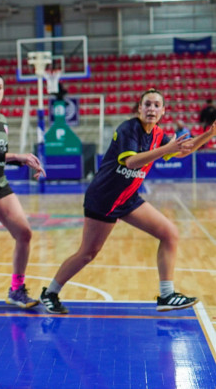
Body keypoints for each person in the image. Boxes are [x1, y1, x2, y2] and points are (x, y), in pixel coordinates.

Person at [39, 89, 216, 315]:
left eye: (156, 105)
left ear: (163, 111)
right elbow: (131, 162)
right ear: (139, 108)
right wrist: (166, 149)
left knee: (169, 233)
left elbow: (183, 151)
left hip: (128, 198)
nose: (151, 109)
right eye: (147, 104)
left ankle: (167, 294)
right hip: (104, 197)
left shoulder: (159, 134)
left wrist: (210, 133)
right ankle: (50, 292)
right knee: (87, 253)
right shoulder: (128, 129)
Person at [0, 72, 46, 309]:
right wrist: (17, 155)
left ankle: (16, 290)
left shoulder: (2, 119)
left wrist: (26, 161)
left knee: (24, 233)